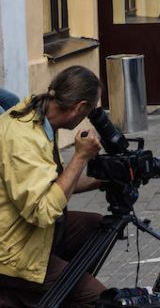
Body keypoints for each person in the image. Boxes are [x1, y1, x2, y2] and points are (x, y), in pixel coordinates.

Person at [0, 66, 105, 306]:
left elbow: (56, 182)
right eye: (88, 112)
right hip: (12, 250)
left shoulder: (40, 114)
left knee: (96, 226)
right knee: (98, 298)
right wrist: (79, 158)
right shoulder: (24, 138)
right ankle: (26, 289)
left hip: (25, 230)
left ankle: (42, 293)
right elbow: (43, 211)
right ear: (79, 108)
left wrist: (103, 180)